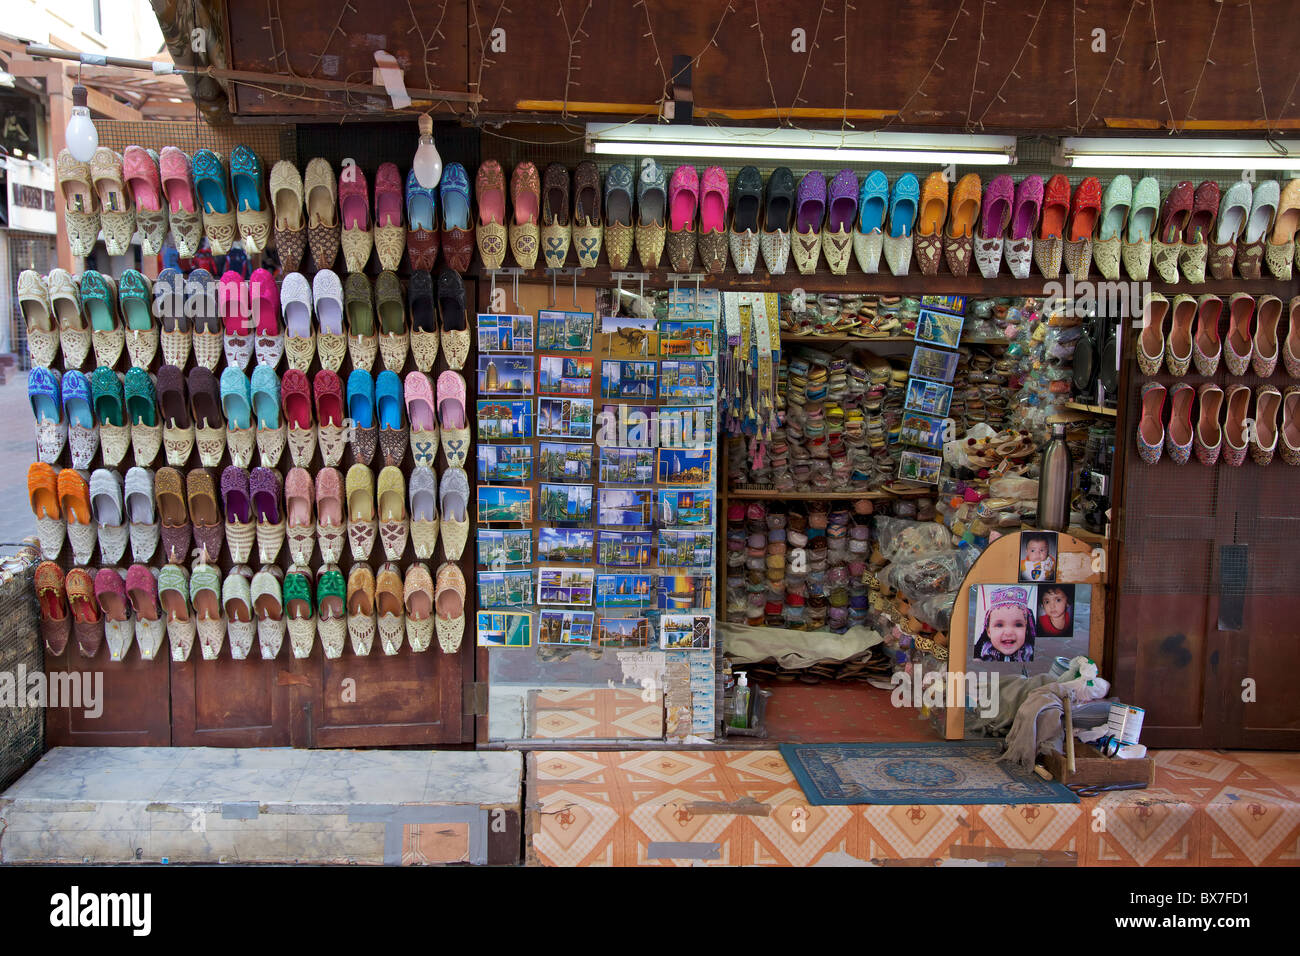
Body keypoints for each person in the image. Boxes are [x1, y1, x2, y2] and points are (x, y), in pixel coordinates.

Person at [973, 585, 1035, 663]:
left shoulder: (1033, 655)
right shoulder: (980, 655)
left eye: (1018, 625)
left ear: (1026, 630)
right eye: (999, 625)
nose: (1009, 632)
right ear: (988, 632)